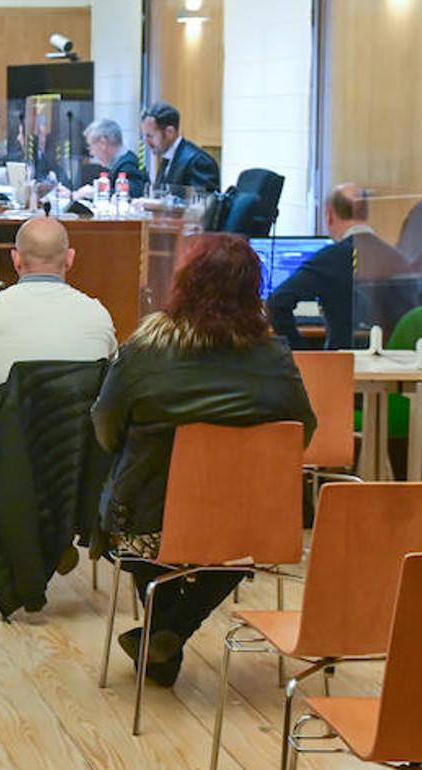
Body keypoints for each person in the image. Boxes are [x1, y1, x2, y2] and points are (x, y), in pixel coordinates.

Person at [91, 233, 317, 687]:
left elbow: (105, 427)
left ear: (185, 284)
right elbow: (302, 432)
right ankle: (167, 634)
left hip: (147, 524)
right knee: (234, 547)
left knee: (141, 509)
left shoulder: (143, 351)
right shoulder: (274, 357)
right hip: (249, 525)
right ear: (254, 290)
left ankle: (163, 635)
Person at [0, 217, 117, 387]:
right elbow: (112, 373)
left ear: (16, 259)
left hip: (10, 413)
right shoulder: (97, 314)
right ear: (69, 258)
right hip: (80, 414)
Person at [267, 183, 409, 349]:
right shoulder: (397, 257)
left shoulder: (330, 259)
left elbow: (277, 302)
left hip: (342, 366)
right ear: (365, 213)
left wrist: (303, 353)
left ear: (329, 215)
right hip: (393, 365)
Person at [140, 102, 219, 193]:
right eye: (144, 136)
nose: (146, 141)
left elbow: (201, 204)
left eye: (150, 136)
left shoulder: (199, 162)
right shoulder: (167, 158)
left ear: (170, 132)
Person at [75, 118, 147, 199]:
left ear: (103, 143)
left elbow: (131, 194)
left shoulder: (128, 164)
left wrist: (94, 192)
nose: (91, 153)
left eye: (90, 146)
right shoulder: (119, 162)